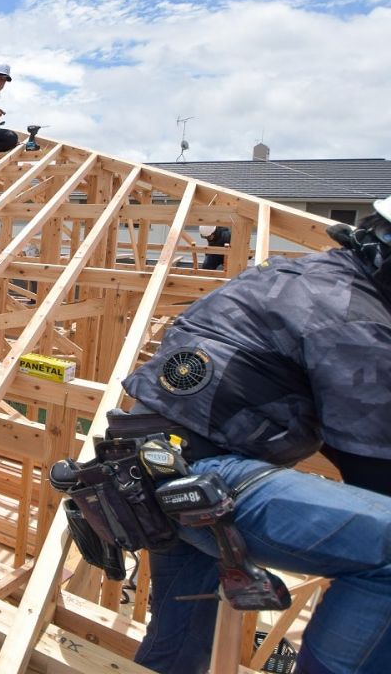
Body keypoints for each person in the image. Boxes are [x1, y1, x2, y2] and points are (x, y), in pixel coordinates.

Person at [116, 198, 391, 674]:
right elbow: (373, 472)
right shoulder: (355, 320)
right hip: (208, 479)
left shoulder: (290, 275)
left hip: (146, 472)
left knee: (177, 652)